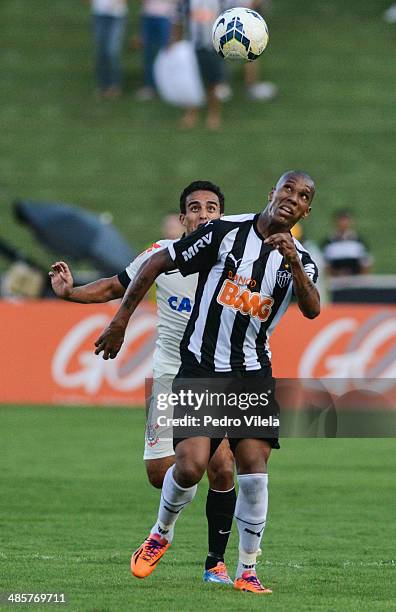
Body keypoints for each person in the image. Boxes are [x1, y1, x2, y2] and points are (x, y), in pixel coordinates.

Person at [94, 170, 320, 594]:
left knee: (254, 468)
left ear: (307, 209)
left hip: (252, 373)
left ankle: (247, 569)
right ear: (271, 193)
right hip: (200, 369)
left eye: (303, 195)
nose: (293, 197)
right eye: (287, 188)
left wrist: (292, 261)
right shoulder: (223, 232)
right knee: (192, 466)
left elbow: (312, 309)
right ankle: (162, 532)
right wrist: (121, 321)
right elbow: (159, 261)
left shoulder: (301, 260)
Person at [49, 181, 236, 585]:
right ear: (183, 218)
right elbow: (118, 284)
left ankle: (214, 564)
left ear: (222, 216)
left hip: (216, 377)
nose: (204, 214)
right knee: (160, 474)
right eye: (195, 208)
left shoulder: (236, 262)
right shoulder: (161, 255)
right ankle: (167, 523)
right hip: (169, 376)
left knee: (222, 468)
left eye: (212, 208)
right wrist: (71, 294)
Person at [176, 0, 228, 130]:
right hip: (192, 45)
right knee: (192, 81)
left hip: (213, 45)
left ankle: (214, 115)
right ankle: (191, 113)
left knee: (214, 82)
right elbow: (179, 18)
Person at [135, 0, 178, 101]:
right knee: (149, 54)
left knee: (167, 54)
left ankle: (168, 87)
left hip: (166, 16)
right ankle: (150, 87)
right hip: (148, 15)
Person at [91, 0, 128, 97]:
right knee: (101, 51)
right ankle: (103, 85)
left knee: (112, 50)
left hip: (116, 14)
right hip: (99, 14)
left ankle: (114, 85)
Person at [322, 209, 373, 276]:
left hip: (355, 281)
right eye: (341, 220)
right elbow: (325, 266)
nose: (343, 223)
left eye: (346, 220)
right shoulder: (328, 243)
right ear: (335, 222)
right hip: (335, 282)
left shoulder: (359, 242)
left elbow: (366, 265)